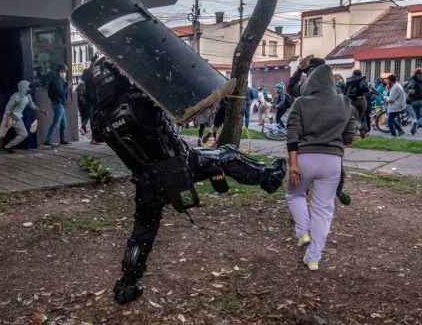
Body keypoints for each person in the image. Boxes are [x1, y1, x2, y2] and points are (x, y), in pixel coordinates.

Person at [90, 57, 286, 304]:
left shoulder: (100, 118)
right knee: (226, 154)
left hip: (146, 181)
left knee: (142, 233)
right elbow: (176, 103)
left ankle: (127, 284)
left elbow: (104, 133)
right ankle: (267, 177)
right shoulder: (136, 100)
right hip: (176, 166)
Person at [286, 64, 358, 271]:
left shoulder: (301, 103)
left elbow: (292, 134)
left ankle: (303, 232)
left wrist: (293, 164)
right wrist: (334, 147)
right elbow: (349, 136)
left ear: (311, 83)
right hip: (332, 162)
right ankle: (314, 257)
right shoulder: (345, 103)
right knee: (323, 210)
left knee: (295, 195)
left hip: (303, 158)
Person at [288, 56, 351, 205]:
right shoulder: (335, 91)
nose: (308, 74)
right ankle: (333, 191)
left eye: (309, 70)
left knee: (301, 188)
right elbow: (291, 88)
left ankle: (334, 191)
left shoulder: (307, 90)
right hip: (328, 147)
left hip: (310, 146)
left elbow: (291, 88)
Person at [0, 80, 48, 154]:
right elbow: (8, 108)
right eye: (28, 88)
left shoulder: (28, 97)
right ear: (23, 87)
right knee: (1, 134)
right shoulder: (15, 96)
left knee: (24, 134)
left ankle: (8, 146)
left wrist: (43, 111)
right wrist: (8, 119)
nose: (29, 90)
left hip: (18, 118)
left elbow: (33, 106)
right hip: (10, 116)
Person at [44, 64, 71, 148]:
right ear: (59, 71)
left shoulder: (59, 80)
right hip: (58, 104)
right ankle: (48, 142)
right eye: (63, 71)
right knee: (56, 124)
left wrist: (66, 85)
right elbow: (61, 93)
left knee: (64, 123)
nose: (65, 73)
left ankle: (63, 140)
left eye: (65, 72)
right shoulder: (57, 80)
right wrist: (67, 86)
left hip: (58, 104)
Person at [344, 69, 369, 138]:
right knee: (361, 116)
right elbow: (366, 90)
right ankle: (361, 129)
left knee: (355, 118)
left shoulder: (349, 80)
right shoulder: (363, 79)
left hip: (352, 101)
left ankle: (357, 132)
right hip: (362, 100)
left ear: (353, 74)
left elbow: (345, 91)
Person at [406, 67, 422, 134]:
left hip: (414, 100)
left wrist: (409, 90)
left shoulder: (413, 79)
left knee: (416, 117)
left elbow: (409, 86)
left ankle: (417, 125)